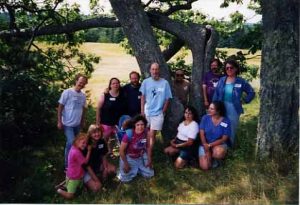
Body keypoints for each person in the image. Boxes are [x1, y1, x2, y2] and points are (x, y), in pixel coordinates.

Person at [213, 59, 255, 145]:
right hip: (221, 106)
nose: (229, 70)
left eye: (231, 68)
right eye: (227, 68)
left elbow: (251, 92)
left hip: (234, 107)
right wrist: (213, 105)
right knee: (220, 125)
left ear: (236, 69)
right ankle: (219, 145)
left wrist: (245, 100)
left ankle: (229, 145)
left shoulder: (241, 81)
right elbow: (216, 93)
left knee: (231, 126)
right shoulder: (222, 80)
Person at [140, 62, 172, 166]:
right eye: (153, 69)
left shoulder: (165, 83)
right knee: (146, 133)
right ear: (150, 70)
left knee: (152, 134)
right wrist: (142, 112)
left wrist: (163, 111)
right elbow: (143, 97)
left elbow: (167, 98)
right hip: (147, 111)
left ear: (159, 70)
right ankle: (143, 152)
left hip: (158, 113)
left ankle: (148, 155)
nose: (155, 71)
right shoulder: (145, 82)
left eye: (156, 69)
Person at [57, 74, 88, 169]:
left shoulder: (83, 96)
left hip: (77, 125)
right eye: (80, 81)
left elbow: (83, 109)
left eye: (83, 83)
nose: (81, 84)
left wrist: (82, 121)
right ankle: (67, 166)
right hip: (67, 124)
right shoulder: (67, 92)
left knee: (79, 144)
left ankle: (77, 161)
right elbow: (60, 107)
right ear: (76, 81)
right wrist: (59, 121)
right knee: (71, 142)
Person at [57, 133, 97, 199]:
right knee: (70, 196)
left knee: (76, 187)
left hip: (77, 175)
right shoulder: (76, 152)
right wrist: (89, 151)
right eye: (83, 143)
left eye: (86, 143)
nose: (85, 145)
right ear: (77, 141)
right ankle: (59, 190)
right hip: (73, 177)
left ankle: (67, 186)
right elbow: (85, 162)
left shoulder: (74, 148)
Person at [96, 77, 127, 159]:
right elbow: (98, 108)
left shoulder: (122, 95)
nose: (115, 85)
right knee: (104, 140)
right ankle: (101, 156)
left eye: (117, 83)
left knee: (113, 139)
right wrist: (97, 122)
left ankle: (110, 151)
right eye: (113, 83)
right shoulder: (105, 95)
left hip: (117, 123)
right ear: (110, 85)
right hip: (106, 123)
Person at [117, 115, 154, 182]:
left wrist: (149, 158)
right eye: (138, 125)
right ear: (134, 125)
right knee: (125, 179)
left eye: (142, 124)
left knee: (150, 174)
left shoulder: (146, 133)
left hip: (141, 155)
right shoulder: (128, 134)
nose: (140, 127)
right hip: (129, 156)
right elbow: (121, 151)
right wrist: (126, 164)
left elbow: (148, 146)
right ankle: (135, 168)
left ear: (145, 125)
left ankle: (137, 168)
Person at [198, 101, 231, 170]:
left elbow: (224, 139)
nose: (208, 110)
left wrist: (210, 145)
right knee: (205, 167)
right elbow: (201, 133)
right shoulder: (205, 118)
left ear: (218, 111)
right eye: (209, 108)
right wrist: (205, 145)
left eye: (211, 109)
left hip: (218, 144)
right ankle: (208, 157)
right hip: (205, 144)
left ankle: (217, 160)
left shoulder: (225, 121)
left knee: (217, 153)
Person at [83, 124, 116, 190]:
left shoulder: (102, 141)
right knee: (97, 187)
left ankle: (99, 175)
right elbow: (86, 165)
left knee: (113, 170)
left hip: (98, 164)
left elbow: (103, 155)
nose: (97, 134)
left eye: (98, 132)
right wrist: (96, 179)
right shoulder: (85, 145)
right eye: (94, 132)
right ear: (90, 134)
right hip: (86, 170)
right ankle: (84, 182)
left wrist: (105, 169)